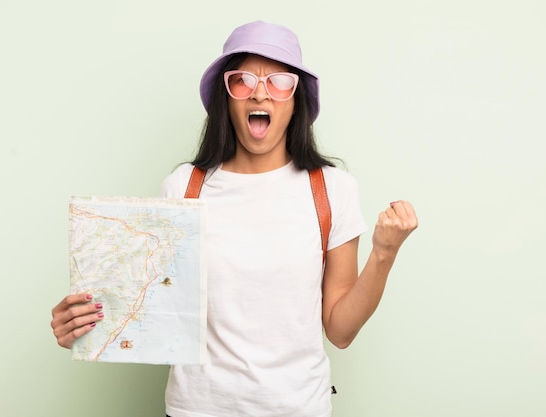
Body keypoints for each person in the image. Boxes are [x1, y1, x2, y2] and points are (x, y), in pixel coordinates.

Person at [51, 20, 418, 417]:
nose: (260, 91)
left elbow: (340, 332)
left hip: (297, 408)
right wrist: (83, 322)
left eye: (279, 81)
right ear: (226, 99)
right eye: (242, 80)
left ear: (296, 100)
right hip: (197, 409)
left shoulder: (332, 189)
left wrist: (384, 253)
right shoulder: (183, 187)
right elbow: (149, 307)